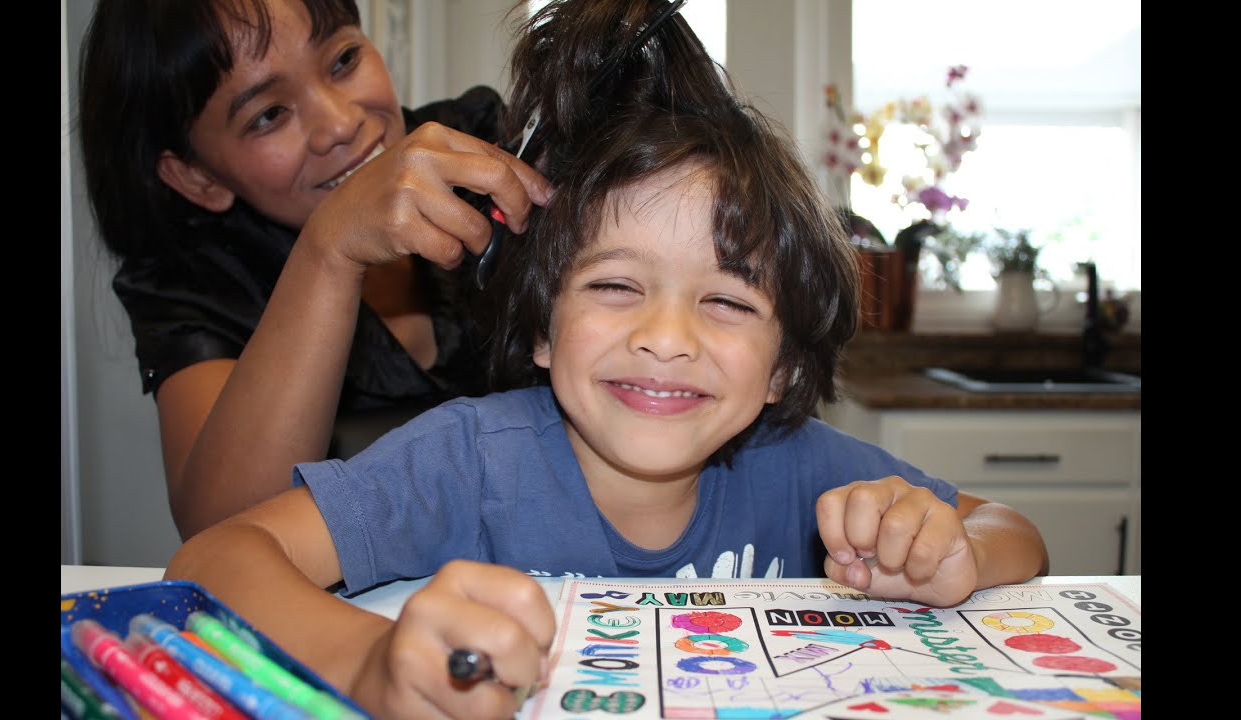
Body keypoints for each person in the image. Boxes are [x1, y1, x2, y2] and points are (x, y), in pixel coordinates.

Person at [164, 1, 1049, 717]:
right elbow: (214, 558)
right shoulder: (467, 460)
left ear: (782, 367)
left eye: (729, 301)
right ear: (542, 326)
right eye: (618, 287)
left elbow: (1015, 531)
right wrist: (371, 662)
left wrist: (944, 549)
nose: (668, 336)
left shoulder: (797, 468)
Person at [76, 0, 554, 540]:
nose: (341, 123)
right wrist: (328, 250)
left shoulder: (486, 147)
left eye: (344, 59)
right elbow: (223, 537)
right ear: (194, 177)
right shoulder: (197, 281)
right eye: (269, 115)